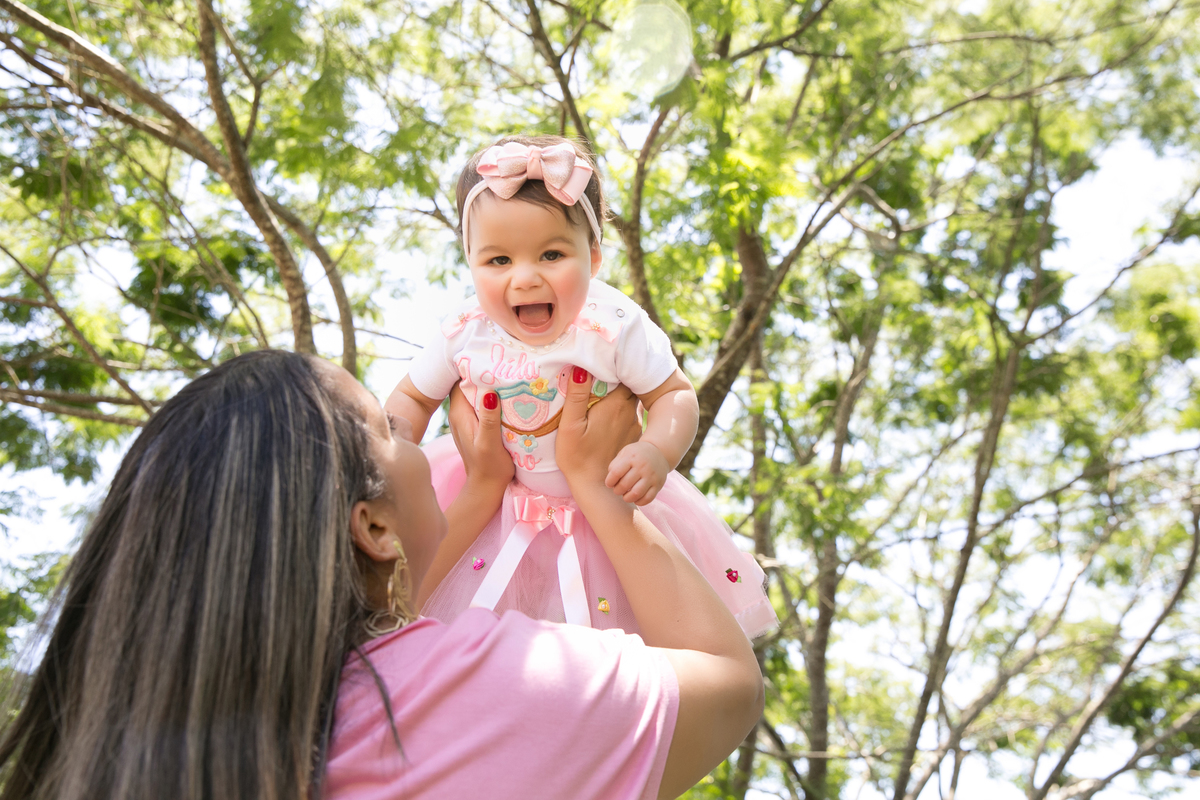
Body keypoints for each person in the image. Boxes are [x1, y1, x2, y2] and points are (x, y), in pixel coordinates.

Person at [0, 350, 763, 800]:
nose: (417, 442)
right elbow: (727, 684)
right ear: (369, 527)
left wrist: (485, 491)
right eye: (390, 429)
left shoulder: (114, 758)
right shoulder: (469, 690)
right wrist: (595, 487)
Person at [385, 134, 777, 639]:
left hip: (604, 508)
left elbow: (673, 395)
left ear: (592, 257)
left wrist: (657, 451)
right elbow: (413, 397)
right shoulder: (465, 330)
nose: (525, 278)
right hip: (495, 510)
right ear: (471, 262)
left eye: (551, 254)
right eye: (498, 261)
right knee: (470, 638)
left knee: (627, 645)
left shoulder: (612, 325)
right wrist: (390, 452)